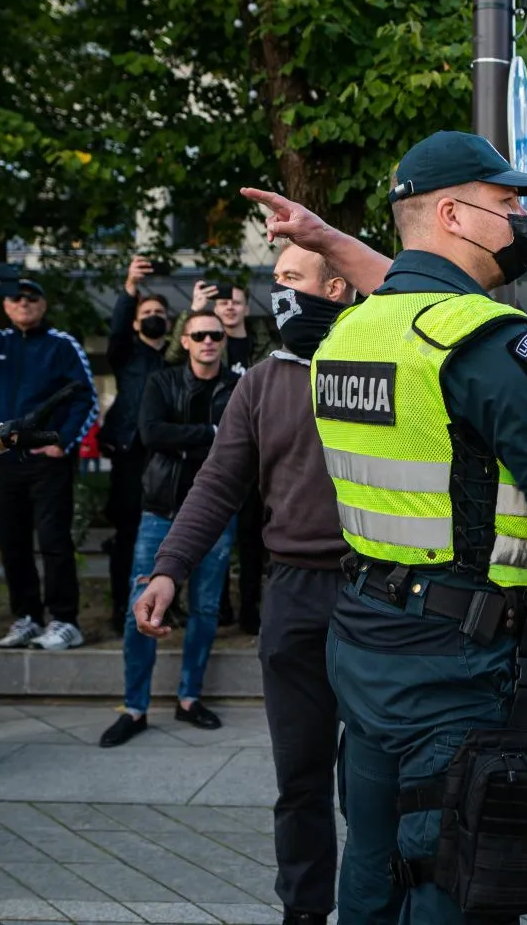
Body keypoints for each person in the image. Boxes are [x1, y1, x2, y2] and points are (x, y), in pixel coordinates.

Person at [242, 130, 527, 924]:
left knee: (370, 878)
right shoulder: (494, 343)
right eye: (506, 205)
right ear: (453, 214)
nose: (519, 223)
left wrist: (327, 238)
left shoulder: (345, 336)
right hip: (462, 672)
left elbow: (410, 301)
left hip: (365, 646)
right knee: (450, 889)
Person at [135, 245, 354, 924]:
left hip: (378, 597)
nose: (278, 292)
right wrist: (169, 567)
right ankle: (306, 911)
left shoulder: (382, 367)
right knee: (301, 780)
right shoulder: (259, 382)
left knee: (378, 783)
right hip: (292, 597)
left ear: (339, 288)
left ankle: (383, 906)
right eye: (275, 280)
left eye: (292, 279)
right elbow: (218, 483)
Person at [99, 309, 241, 747]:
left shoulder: (236, 388)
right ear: (185, 340)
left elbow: (238, 443)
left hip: (216, 514)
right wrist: (210, 432)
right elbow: (151, 433)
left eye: (215, 335)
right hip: (161, 509)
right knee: (138, 608)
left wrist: (193, 435)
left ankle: (189, 699)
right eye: (199, 334)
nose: (208, 342)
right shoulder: (162, 382)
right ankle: (135, 707)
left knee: (204, 609)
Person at [0, 267, 98, 651]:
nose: (24, 304)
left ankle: (65, 620)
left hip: (48, 460)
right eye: (16, 298)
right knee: (12, 542)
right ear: (7, 307)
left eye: (32, 298)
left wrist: (62, 443)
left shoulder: (62, 345)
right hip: (4, 460)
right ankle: (27, 617)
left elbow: (86, 399)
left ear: (43, 305)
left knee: (53, 540)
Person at [191, 277, 266, 632]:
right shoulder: (206, 347)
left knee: (251, 541)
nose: (230, 307)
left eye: (237, 301)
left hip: (257, 458)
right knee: (213, 534)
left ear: (246, 308)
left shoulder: (262, 346)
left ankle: (250, 611)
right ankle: (218, 609)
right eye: (223, 302)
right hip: (214, 456)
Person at [102, 258, 170, 632]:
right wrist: (130, 288)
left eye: (160, 312)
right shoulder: (126, 355)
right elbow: (114, 334)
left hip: (167, 459)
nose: (154, 317)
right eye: (147, 312)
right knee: (127, 537)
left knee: (168, 537)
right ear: (135, 321)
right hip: (130, 457)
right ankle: (120, 611)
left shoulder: (175, 359)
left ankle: (164, 608)